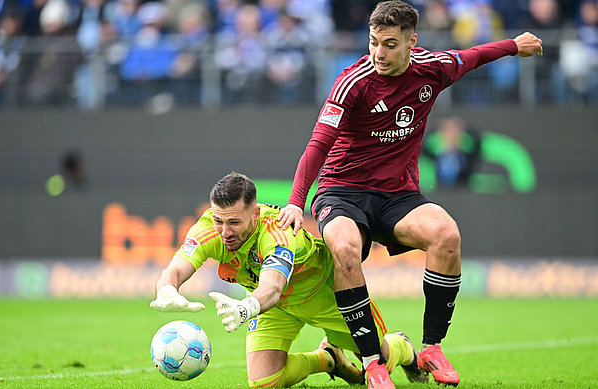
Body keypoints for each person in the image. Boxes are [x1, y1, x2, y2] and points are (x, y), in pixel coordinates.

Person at [276, 1, 543, 387]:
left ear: (411, 42)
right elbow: (318, 145)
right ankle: (373, 361)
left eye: (389, 44)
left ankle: (432, 348)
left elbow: (472, 56)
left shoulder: (432, 68)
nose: (379, 54)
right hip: (342, 190)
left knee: (446, 235)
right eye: (373, 43)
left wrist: (514, 46)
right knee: (345, 247)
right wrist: (296, 201)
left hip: (398, 194)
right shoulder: (353, 81)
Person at [150, 172, 428, 388]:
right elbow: (175, 269)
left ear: (255, 213)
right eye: (220, 221)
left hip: (327, 297)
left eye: (234, 222)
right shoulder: (210, 229)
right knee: (263, 381)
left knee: (378, 364)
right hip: (277, 307)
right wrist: (167, 289)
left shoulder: (278, 232)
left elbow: (272, 287)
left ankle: (403, 347)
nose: (225, 231)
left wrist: (245, 307)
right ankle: (328, 358)